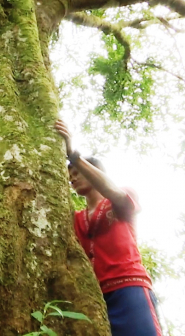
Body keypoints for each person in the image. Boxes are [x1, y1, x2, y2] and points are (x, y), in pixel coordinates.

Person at [55, 119, 162, 336]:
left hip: (129, 288)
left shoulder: (121, 198)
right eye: (70, 174)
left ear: (95, 171)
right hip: (94, 299)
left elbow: (115, 193)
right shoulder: (75, 218)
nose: (72, 177)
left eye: (77, 171)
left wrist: (73, 155)